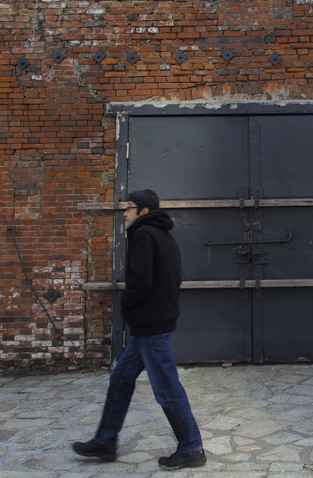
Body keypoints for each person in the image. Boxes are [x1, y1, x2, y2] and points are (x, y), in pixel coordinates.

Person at [72, 189, 207, 471]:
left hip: (150, 324)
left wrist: (127, 305)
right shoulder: (164, 235)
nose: (124, 213)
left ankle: (192, 448)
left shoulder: (144, 235)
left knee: (166, 388)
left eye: (129, 208)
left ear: (143, 211)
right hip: (154, 321)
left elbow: (141, 280)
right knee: (121, 378)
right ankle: (106, 441)